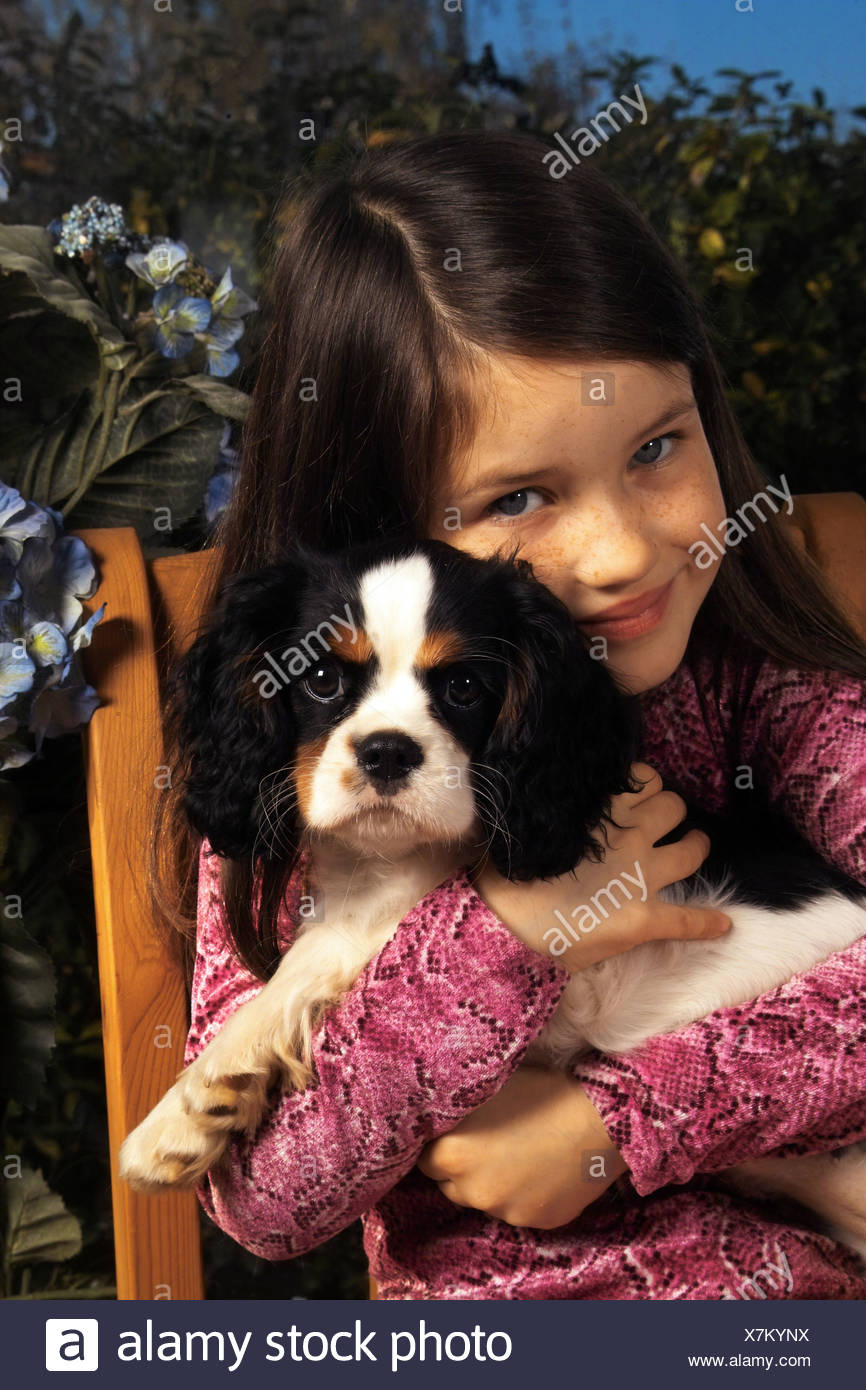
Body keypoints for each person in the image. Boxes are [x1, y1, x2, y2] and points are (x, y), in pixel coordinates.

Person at [151, 130, 866, 1298]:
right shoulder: (310, 776)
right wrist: (509, 933)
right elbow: (269, 1196)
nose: (622, 548)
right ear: (381, 540)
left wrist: (615, 1122)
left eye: (654, 446)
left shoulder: (760, 681)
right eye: (518, 496)